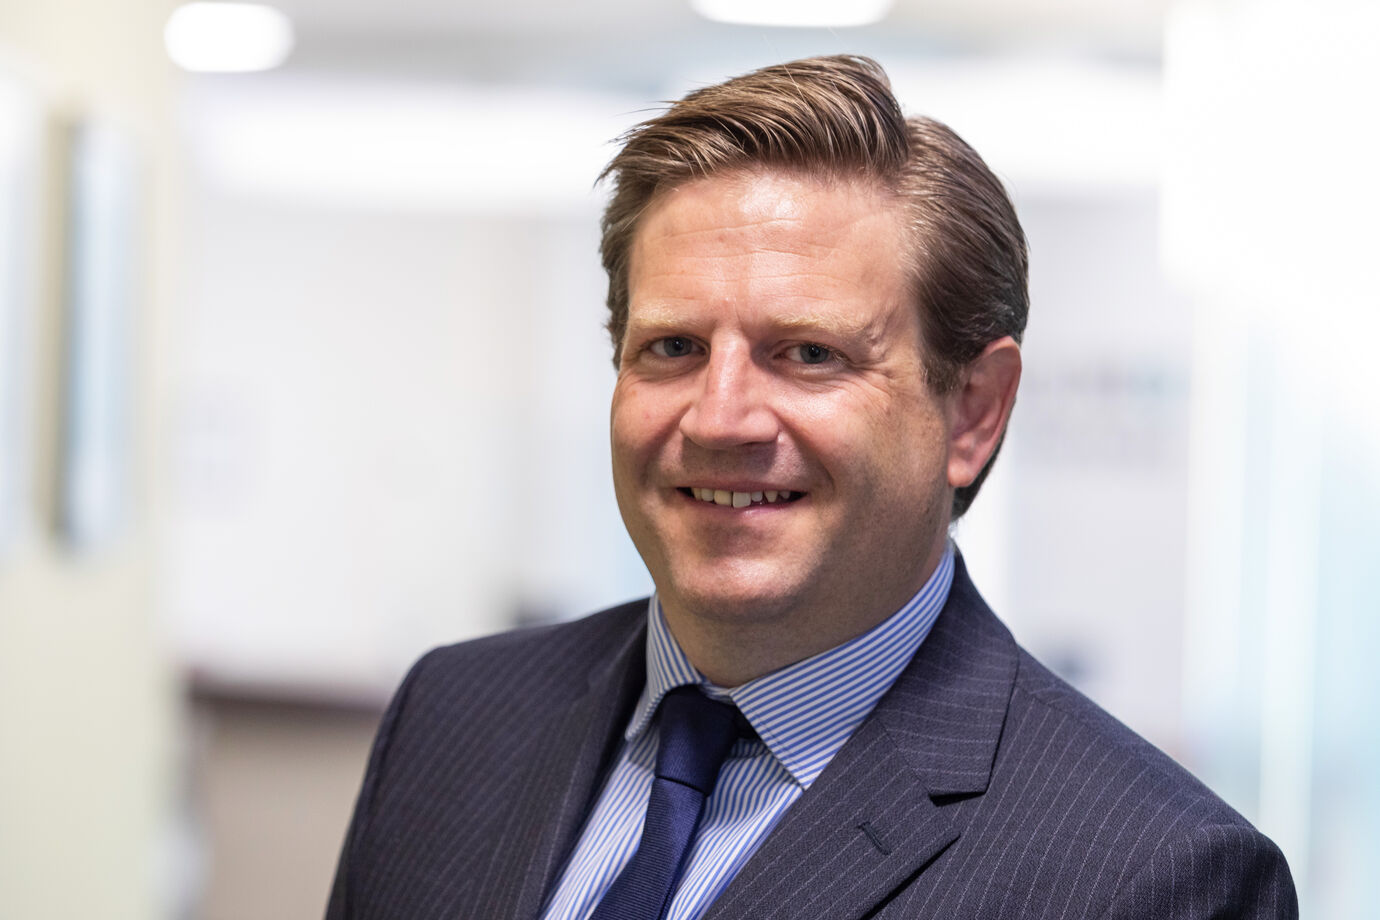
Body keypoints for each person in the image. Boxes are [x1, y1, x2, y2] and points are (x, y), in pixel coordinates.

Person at [326, 55, 1296, 919]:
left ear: (972, 412)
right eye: (673, 346)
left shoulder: (1154, 879)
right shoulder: (453, 717)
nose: (720, 418)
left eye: (809, 353)